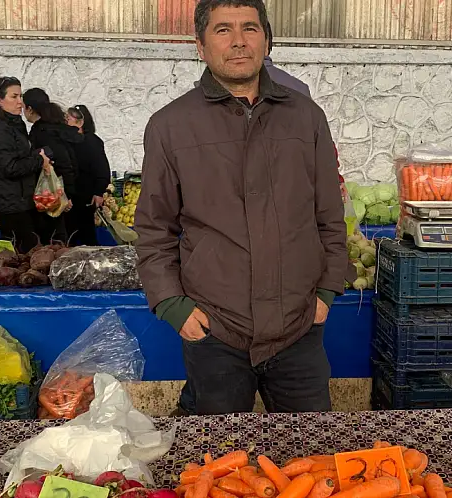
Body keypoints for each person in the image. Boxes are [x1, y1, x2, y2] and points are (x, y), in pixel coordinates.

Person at [135, 0, 346, 415]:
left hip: (298, 326)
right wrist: (173, 305)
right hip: (216, 329)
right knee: (219, 463)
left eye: (250, 28)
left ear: (266, 40)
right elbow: (153, 229)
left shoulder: (306, 118)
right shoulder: (171, 125)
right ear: (200, 45)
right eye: (222, 30)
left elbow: (330, 216)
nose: (238, 42)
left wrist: (326, 290)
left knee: (312, 455)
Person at [0, 76, 52, 253]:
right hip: (9, 206)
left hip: (21, 202)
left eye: (20, 96)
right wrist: (39, 159)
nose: (20, 102)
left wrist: (38, 154)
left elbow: (19, 156)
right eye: (14, 97)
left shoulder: (14, 125)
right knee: (18, 258)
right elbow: (10, 167)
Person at [23, 88, 81, 243]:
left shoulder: (43, 131)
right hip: (56, 192)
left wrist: (66, 194)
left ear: (29, 109)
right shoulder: (56, 127)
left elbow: (63, 163)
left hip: (51, 194)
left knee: (53, 239)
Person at [65, 104, 111, 246]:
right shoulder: (68, 141)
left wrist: (98, 191)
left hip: (86, 195)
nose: (65, 121)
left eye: (68, 118)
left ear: (80, 122)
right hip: (72, 195)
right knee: (71, 234)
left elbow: (102, 168)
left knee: (87, 233)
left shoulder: (92, 141)